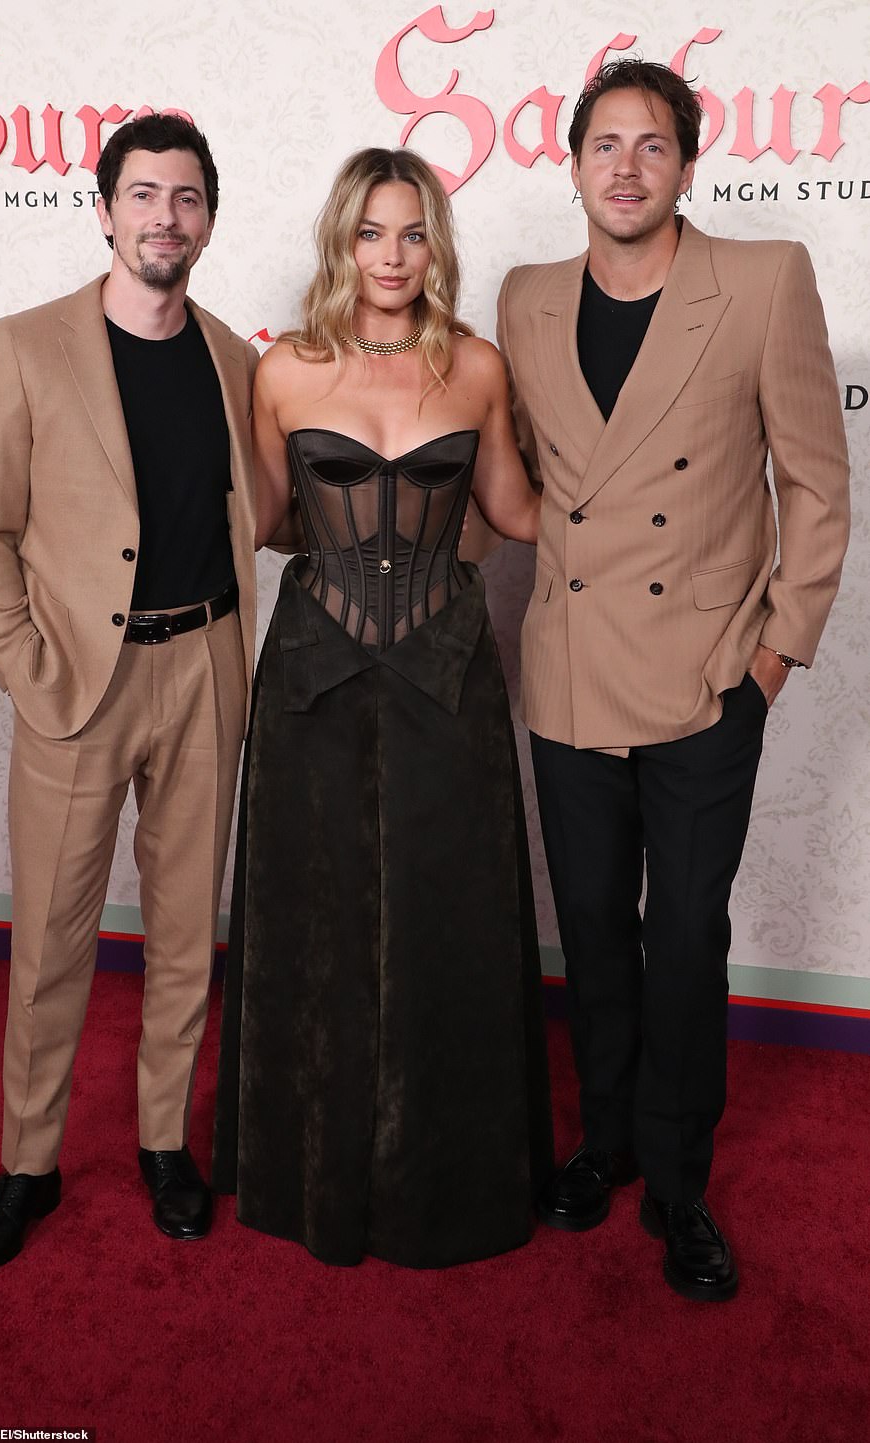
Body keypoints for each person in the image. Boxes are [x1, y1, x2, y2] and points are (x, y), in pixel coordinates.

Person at [497, 60, 850, 1299]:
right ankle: (601, 1142)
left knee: (684, 938)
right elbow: (532, 479)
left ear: (687, 165)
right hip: (571, 672)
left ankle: (680, 1182)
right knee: (589, 928)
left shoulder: (758, 281)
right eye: (604, 144)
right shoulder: (524, 297)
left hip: (706, 676)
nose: (626, 167)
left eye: (652, 146)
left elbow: (812, 479)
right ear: (574, 163)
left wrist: (768, 658)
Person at [211, 147, 553, 1268]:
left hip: (447, 672)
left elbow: (509, 509)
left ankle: (444, 1176)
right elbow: (265, 521)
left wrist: (648, 482)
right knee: (312, 926)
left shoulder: (478, 367)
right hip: (311, 673)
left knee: (448, 915)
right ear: (341, 241)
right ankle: (305, 1168)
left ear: (433, 243)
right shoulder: (285, 373)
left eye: (411, 233)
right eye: (370, 233)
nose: (391, 256)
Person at [0, 114, 259, 1274]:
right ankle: (27, 1164)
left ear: (209, 220)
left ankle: (162, 1141)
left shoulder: (235, 356)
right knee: (51, 940)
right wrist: (27, 672)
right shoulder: (26, 345)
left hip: (205, 671)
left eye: (185, 198)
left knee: (186, 933)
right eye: (143, 195)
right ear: (104, 209)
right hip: (79, 683)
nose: (163, 217)